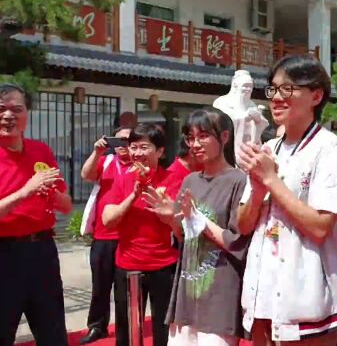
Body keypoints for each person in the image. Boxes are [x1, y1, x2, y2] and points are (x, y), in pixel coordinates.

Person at [237, 55, 337, 345]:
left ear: (316, 95)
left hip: (309, 301)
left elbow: (319, 227)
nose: (276, 98)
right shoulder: (268, 148)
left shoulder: (332, 150)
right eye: (273, 90)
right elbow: (242, 226)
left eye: (287, 89)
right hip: (263, 297)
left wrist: (270, 180)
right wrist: (256, 189)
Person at [161, 109, 249, 346]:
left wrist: (198, 219)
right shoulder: (190, 180)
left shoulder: (239, 181)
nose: (195, 144)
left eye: (203, 136)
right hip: (188, 290)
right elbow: (181, 235)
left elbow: (238, 241)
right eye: (190, 138)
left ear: (225, 137)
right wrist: (170, 217)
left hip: (220, 291)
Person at [0, 83, 73, 345]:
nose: (9, 116)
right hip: (4, 255)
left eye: (16, 109)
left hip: (42, 252)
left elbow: (65, 205)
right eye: (1, 109)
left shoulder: (41, 151)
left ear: (27, 114)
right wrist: (26, 191)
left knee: (52, 332)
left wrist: (50, 194)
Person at [102, 123, 183, 346]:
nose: (137, 153)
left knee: (164, 331)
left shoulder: (173, 179)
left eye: (144, 147)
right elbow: (107, 220)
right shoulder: (123, 178)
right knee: (128, 333)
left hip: (164, 266)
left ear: (160, 151)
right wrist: (133, 195)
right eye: (134, 147)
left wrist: (168, 213)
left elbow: (182, 229)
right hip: (129, 266)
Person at [79, 127, 133, 344]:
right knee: (99, 286)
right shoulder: (107, 161)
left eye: (128, 141)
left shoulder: (141, 166)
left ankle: (125, 330)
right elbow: (86, 175)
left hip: (128, 237)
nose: (123, 145)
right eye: (118, 140)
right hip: (103, 236)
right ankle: (97, 327)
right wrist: (97, 153)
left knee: (124, 291)